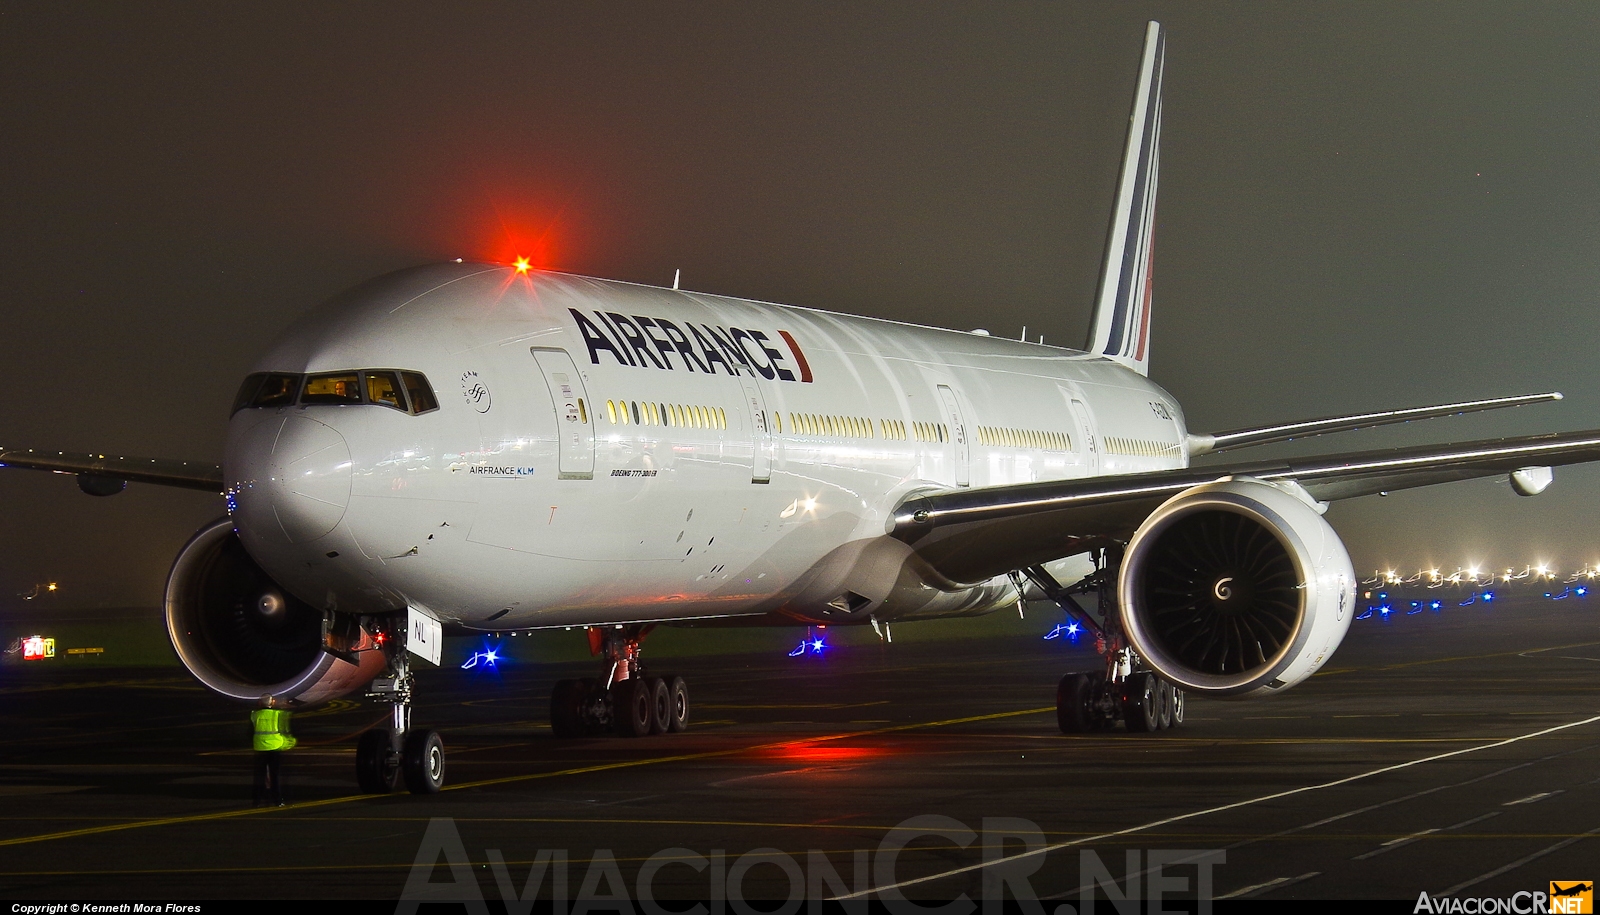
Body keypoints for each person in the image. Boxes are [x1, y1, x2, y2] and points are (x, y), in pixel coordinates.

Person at [250, 696, 296, 806]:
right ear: (273, 702)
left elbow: (249, 732)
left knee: (260, 776)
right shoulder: (277, 714)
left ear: (260, 702)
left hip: (260, 747)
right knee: (274, 776)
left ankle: (256, 802)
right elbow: (284, 730)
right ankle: (278, 801)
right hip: (275, 747)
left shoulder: (254, 714)